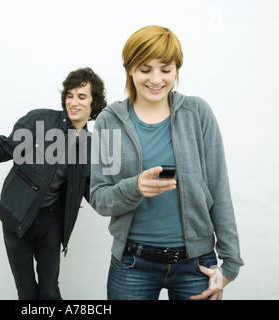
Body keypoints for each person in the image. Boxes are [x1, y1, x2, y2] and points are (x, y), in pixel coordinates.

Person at [90, 26, 243, 300]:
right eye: (145, 69)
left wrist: (230, 266)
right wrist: (134, 187)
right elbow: (100, 199)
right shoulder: (109, 122)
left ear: (176, 70)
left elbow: (219, 190)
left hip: (196, 266)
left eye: (166, 69)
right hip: (131, 264)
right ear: (130, 70)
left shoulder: (197, 114)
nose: (156, 79)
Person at [0, 67, 106, 300]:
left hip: (50, 222)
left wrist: (128, 196)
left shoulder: (90, 146)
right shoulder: (40, 121)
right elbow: (3, 147)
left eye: (82, 97)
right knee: (27, 293)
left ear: (93, 103)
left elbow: (94, 191)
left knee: (50, 292)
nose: (74, 102)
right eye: (70, 95)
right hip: (17, 216)